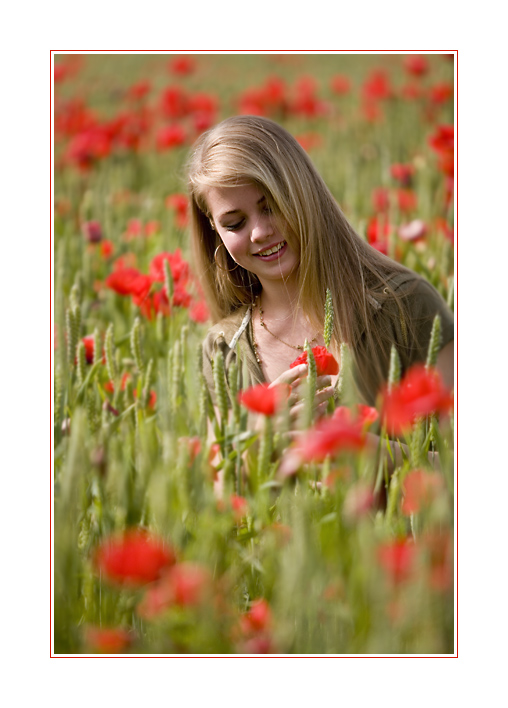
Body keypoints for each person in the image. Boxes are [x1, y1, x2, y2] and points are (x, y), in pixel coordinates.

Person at [186, 115, 454, 422]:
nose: (259, 232)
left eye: (271, 206)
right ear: (215, 230)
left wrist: (375, 453)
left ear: (303, 192)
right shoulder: (224, 348)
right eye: (235, 223)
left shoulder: (406, 307)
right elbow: (219, 469)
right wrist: (259, 447)